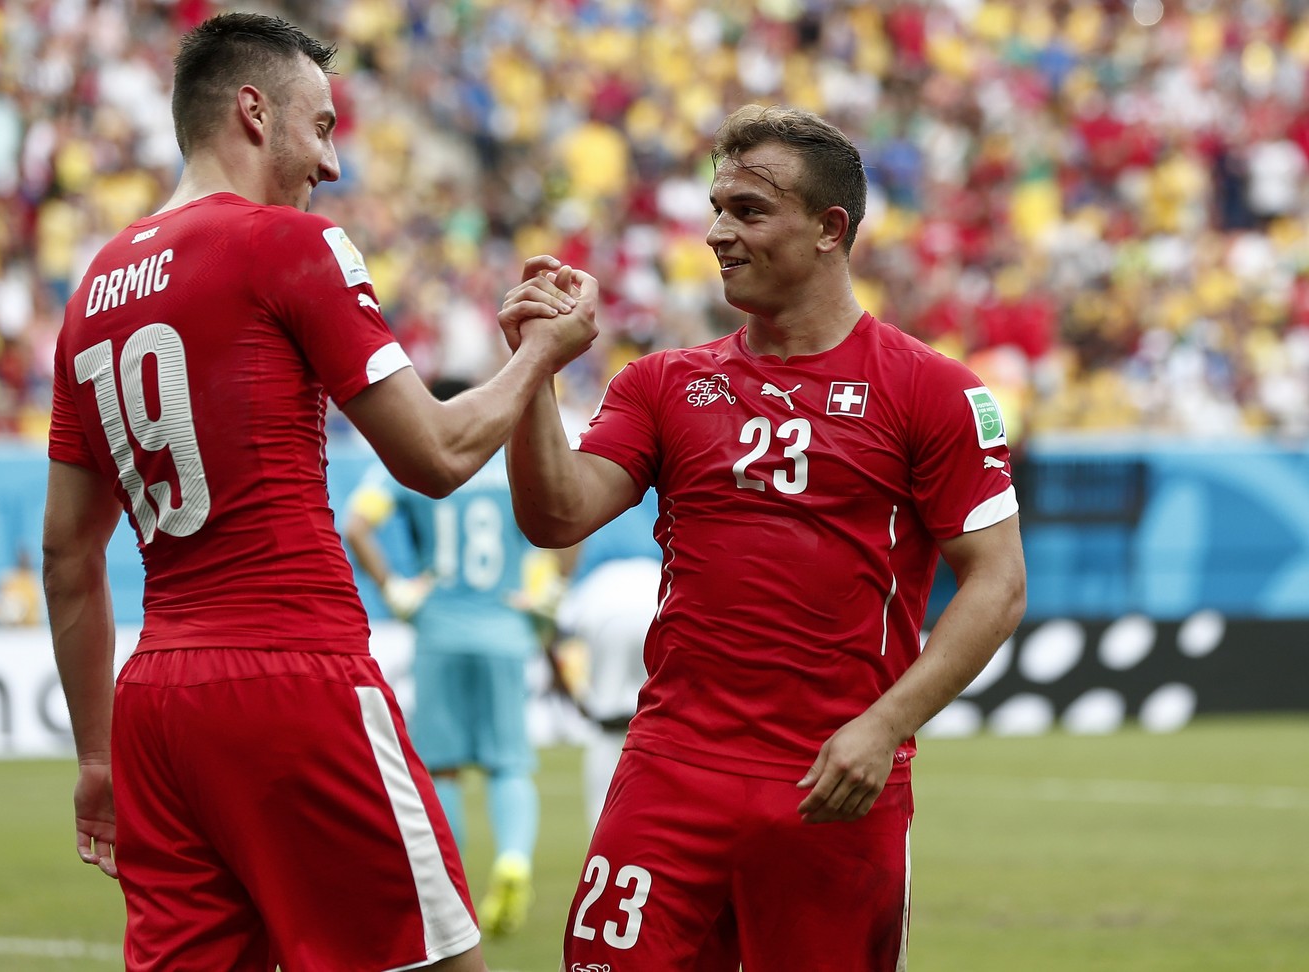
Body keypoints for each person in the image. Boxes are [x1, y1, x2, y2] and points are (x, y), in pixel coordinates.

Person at [40, 13, 594, 972]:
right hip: (294, 676)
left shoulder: (92, 290)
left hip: (157, 709)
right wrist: (542, 355)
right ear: (254, 113)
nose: (332, 164)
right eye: (323, 125)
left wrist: (96, 759)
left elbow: (66, 553)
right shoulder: (289, 245)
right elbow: (435, 454)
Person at [502, 104, 1027, 970]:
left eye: (747, 211)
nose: (716, 233)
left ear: (830, 229)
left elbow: (998, 584)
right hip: (671, 772)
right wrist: (533, 370)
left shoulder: (933, 390)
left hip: (832, 785)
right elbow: (556, 515)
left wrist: (884, 727)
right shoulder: (662, 383)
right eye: (716, 209)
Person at [344, 376, 543, 937]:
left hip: (440, 628)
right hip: (506, 624)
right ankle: (513, 860)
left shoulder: (417, 455)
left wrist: (396, 588)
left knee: (444, 767)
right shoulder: (510, 457)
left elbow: (356, 524)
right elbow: (565, 513)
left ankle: (453, 888)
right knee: (509, 761)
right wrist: (547, 586)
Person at [553, 553, 658, 830]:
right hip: (658, 595)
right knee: (660, 724)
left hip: (604, 608)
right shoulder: (655, 514)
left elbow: (561, 637)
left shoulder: (590, 550)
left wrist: (582, 701)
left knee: (606, 731)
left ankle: (602, 834)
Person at [0, 547, 41, 627]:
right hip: (6, 629)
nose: (25, 560)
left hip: (30, 630)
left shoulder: (36, 580)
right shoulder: (6, 578)